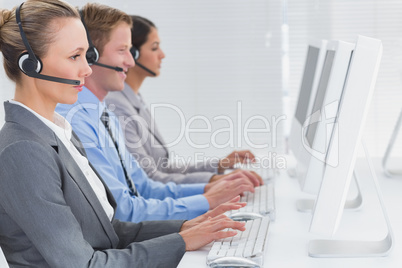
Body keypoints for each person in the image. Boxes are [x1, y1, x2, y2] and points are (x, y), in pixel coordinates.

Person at [0, 1, 247, 266]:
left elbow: (109, 231)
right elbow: (84, 264)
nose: (87, 69)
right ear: (30, 64)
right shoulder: (23, 149)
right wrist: (181, 241)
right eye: (75, 56)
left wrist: (187, 227)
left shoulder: (60, 133)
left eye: (87, 56)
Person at [56, 3, 260, 223]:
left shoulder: (105, 115)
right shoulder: (76, 122)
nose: (131, 62)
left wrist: (209, 191)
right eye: (122, 50)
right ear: (91, 56)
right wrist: (207, 200)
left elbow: (144, 186)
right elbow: (123, 210)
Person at [105, 15, 261, 185]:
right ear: (132, 54)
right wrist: (216, 181)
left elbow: (162, 168)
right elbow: (150, 178)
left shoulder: (135, 99)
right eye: (154, 48)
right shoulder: (118, 106)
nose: (162, 55)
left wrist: (219, 166)